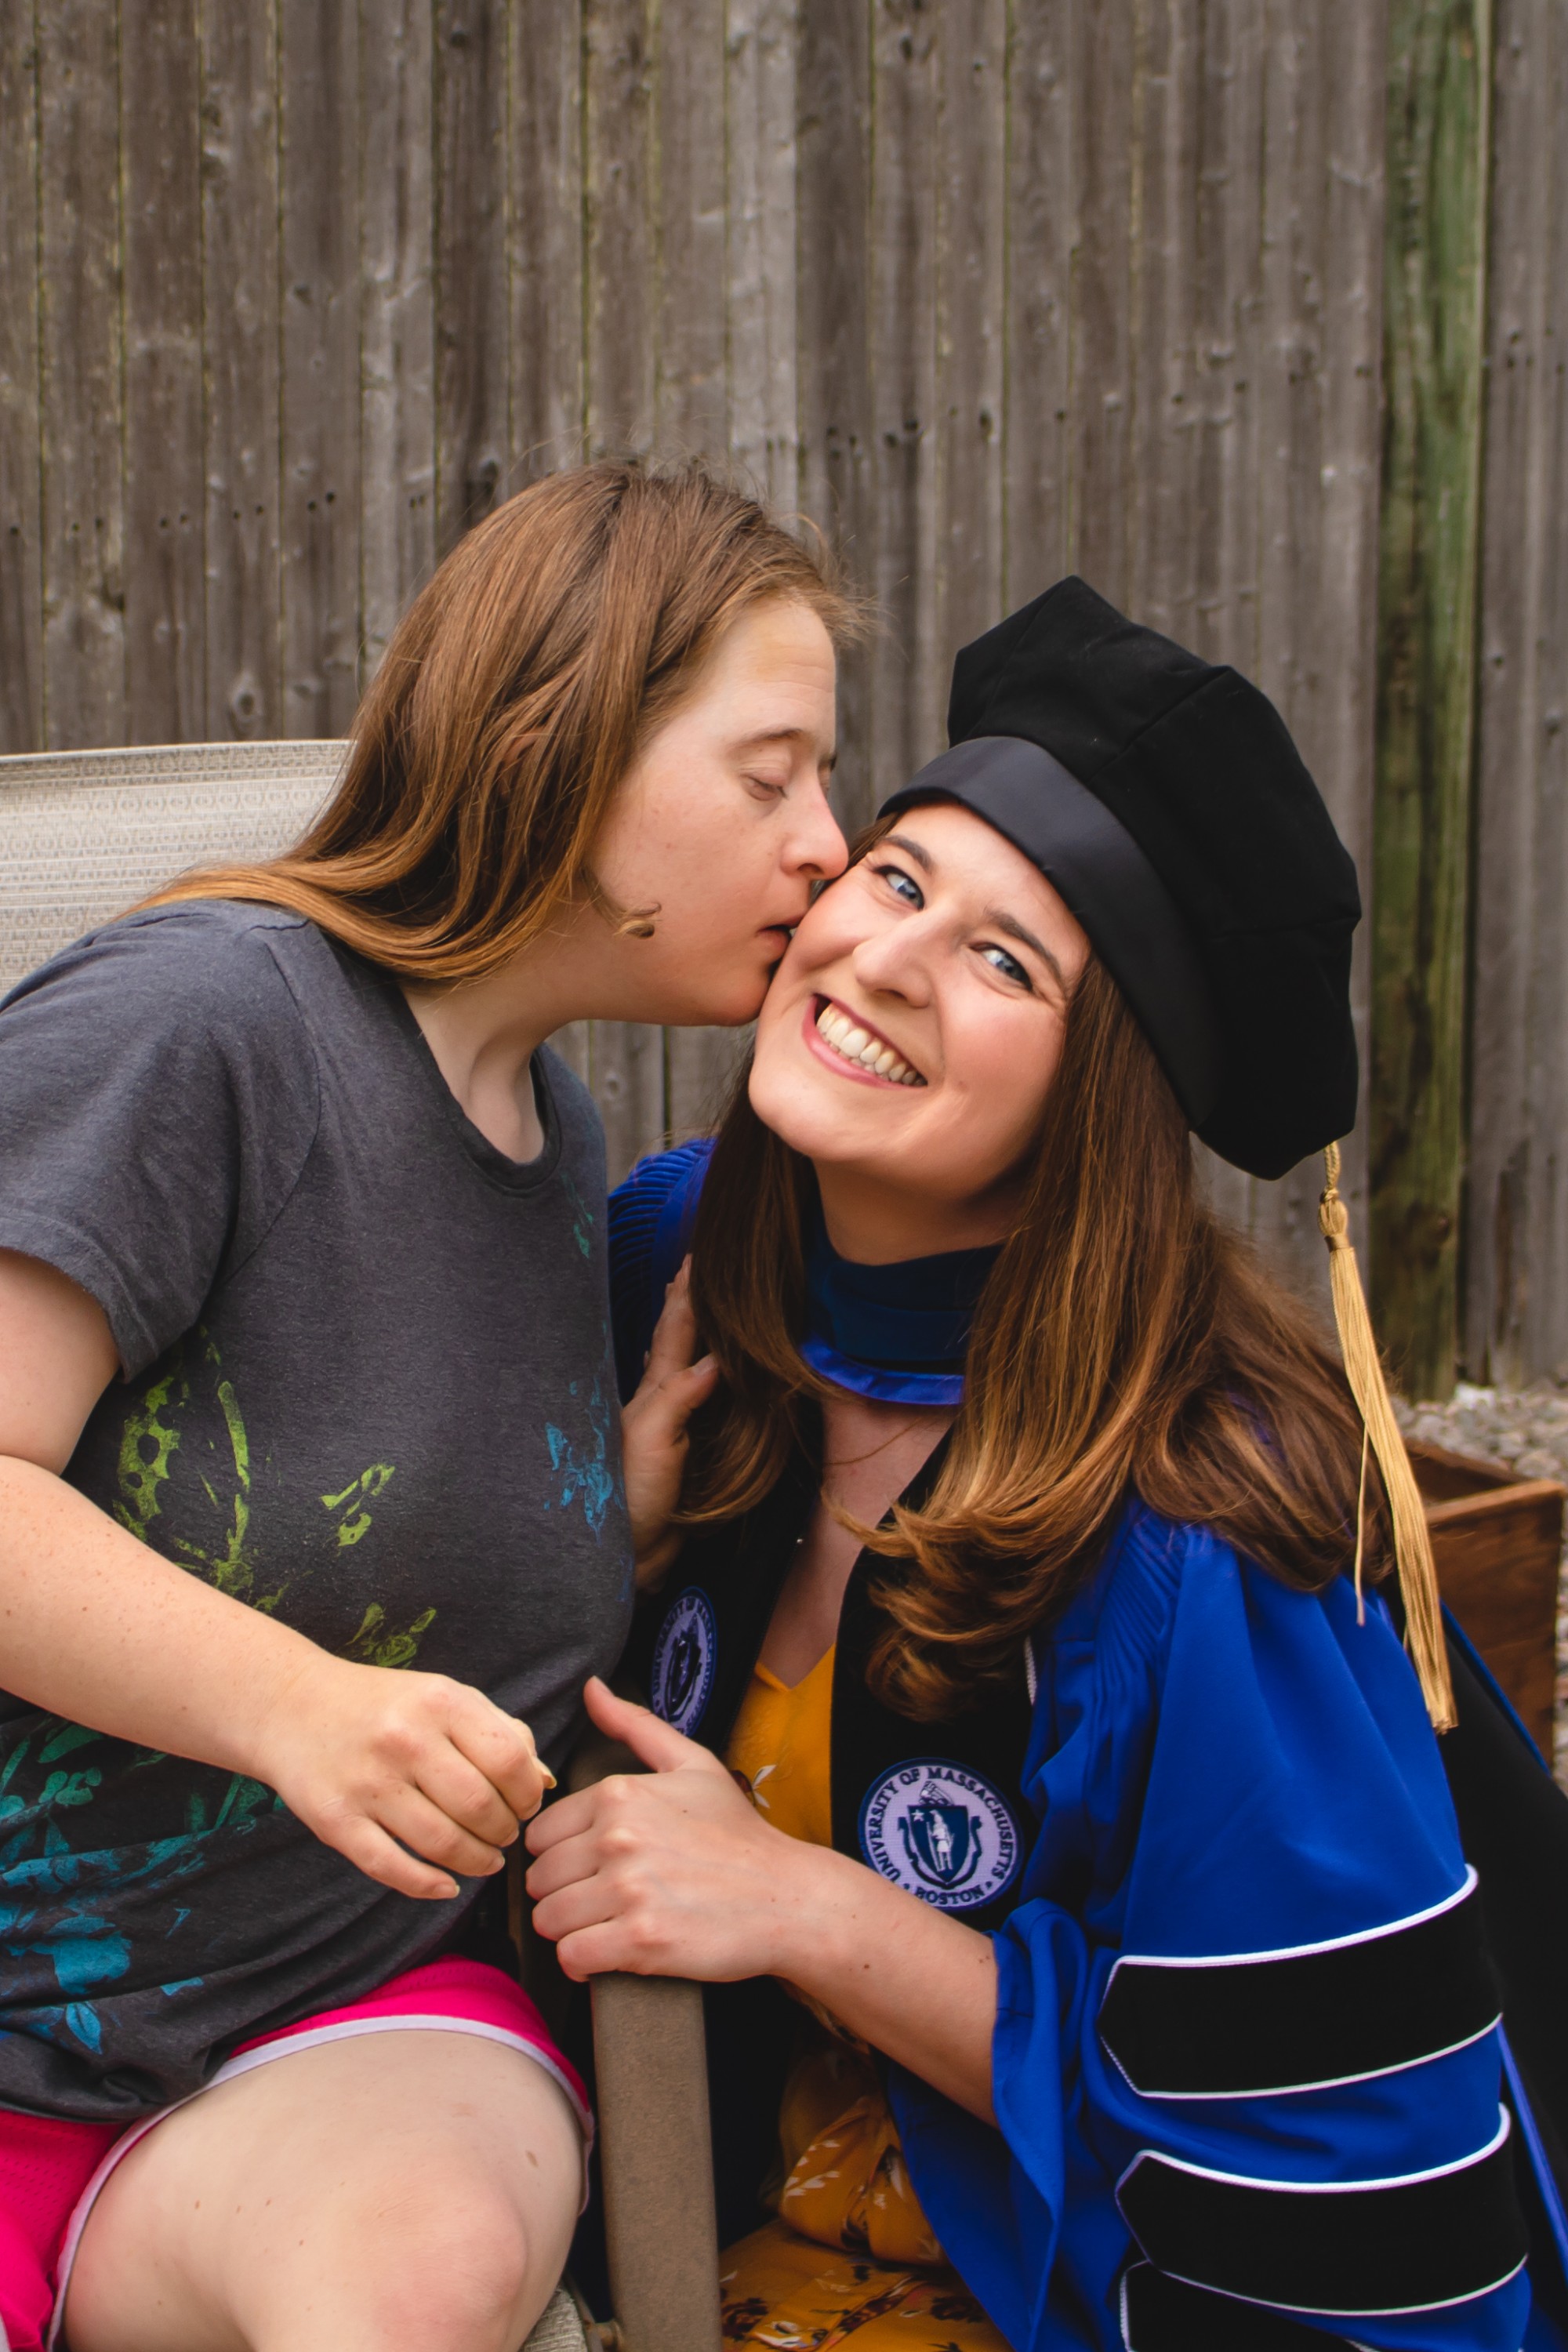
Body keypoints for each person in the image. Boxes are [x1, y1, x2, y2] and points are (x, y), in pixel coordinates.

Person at [526, 578, 1566, 2351]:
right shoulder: (675, 1266)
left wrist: (805, 1912)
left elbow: (1342, 2191)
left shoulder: (1203, 1521)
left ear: (1093, 1093)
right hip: (662, 2242)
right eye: (899, 878)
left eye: (1006, 960)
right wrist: (582, 1558)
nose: (887, 961)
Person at [0, 462, 854, 2352]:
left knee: (424, 2275)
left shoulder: (557, 1136)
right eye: (771, 770)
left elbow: (342, 1488)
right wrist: (295, 1708)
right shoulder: (216, 1022)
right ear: (560, 746)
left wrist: (588, 1521)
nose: (828, 845)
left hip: (336, 2034)